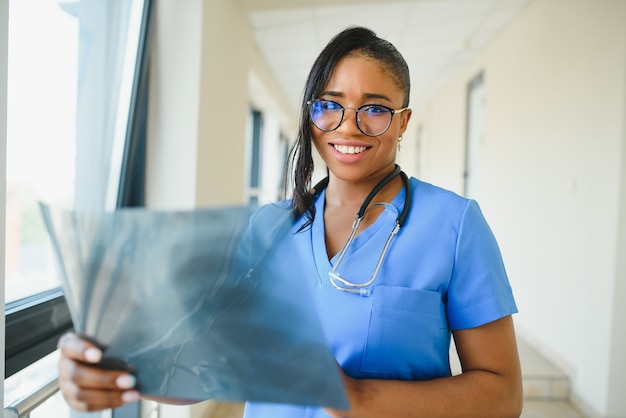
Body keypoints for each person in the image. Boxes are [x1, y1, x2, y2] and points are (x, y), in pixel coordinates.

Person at [58, 26, 523, 417]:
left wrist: (360, 399)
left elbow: (504, 394)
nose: (349, 125)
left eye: (375, 109)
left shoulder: (453, 224)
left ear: (403, 123)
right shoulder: (268, 228)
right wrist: (112, 369)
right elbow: (208, 366)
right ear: (311, 113)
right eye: (330, 104)